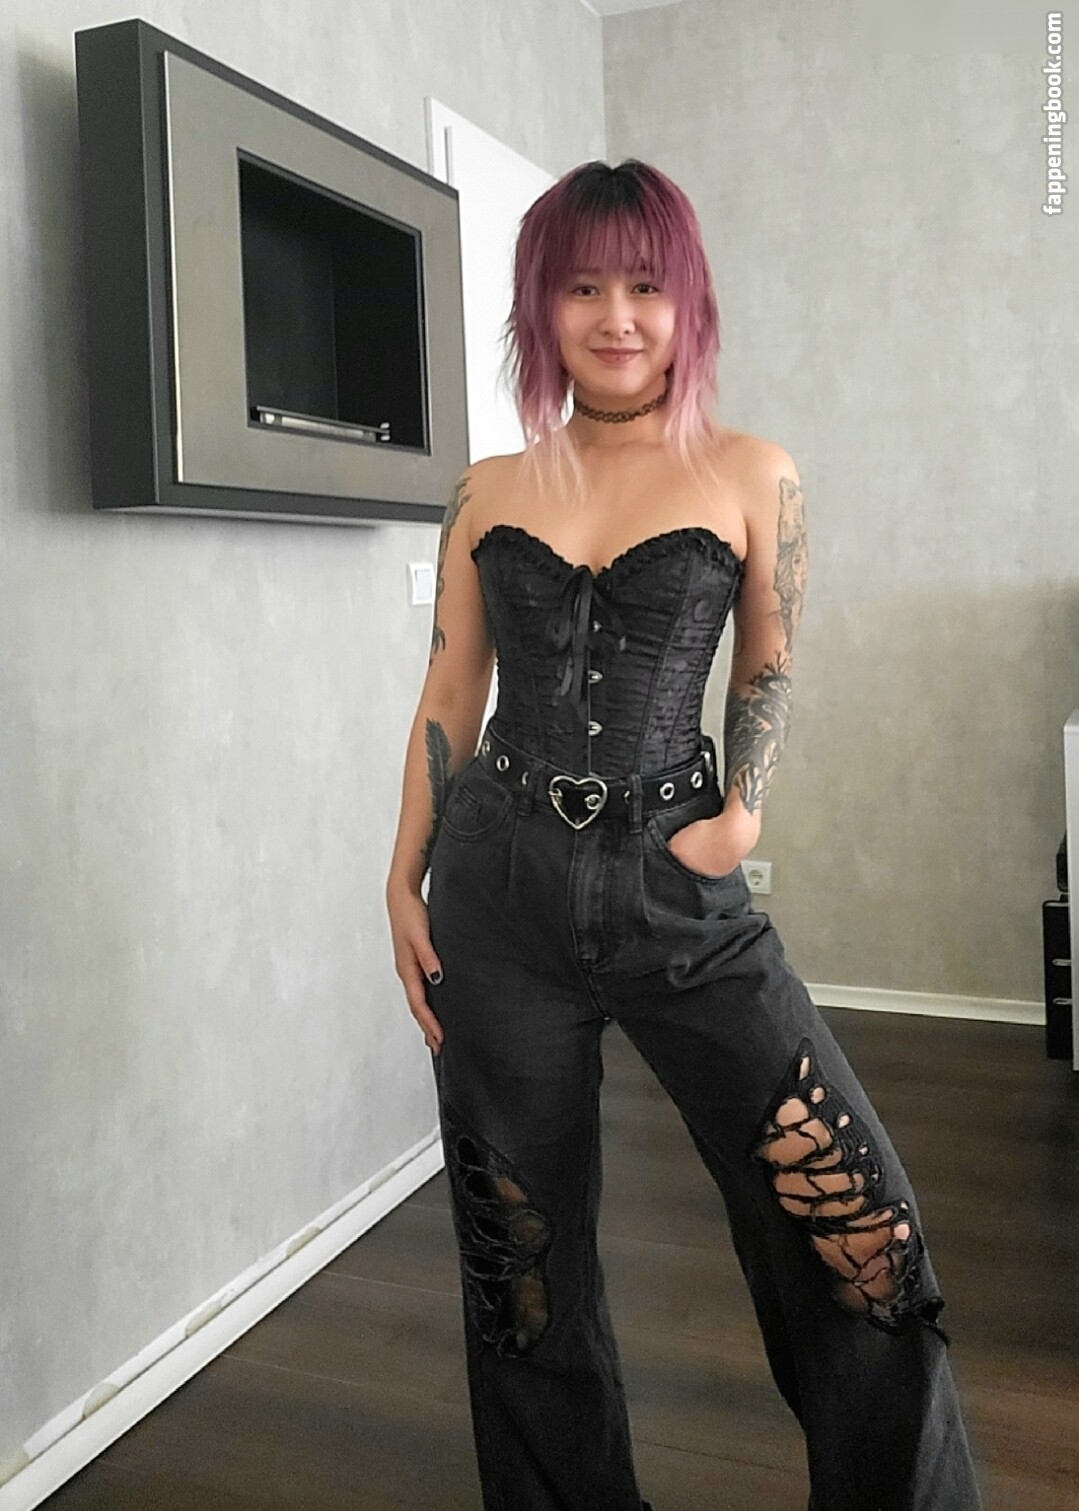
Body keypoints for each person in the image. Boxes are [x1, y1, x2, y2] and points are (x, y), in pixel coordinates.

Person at [384, 160, 981, 1511]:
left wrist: (739, 816)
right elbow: (448, 692)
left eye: (646, 286)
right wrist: (401, 878)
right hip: (497, 891)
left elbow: (767, 663)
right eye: (582, 287)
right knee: (519, 1257)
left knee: (859, 1225)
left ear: (687, 303)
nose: (616, 316)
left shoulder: (750, 470)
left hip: (676, 884)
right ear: (540, 306)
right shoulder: (486, 489)